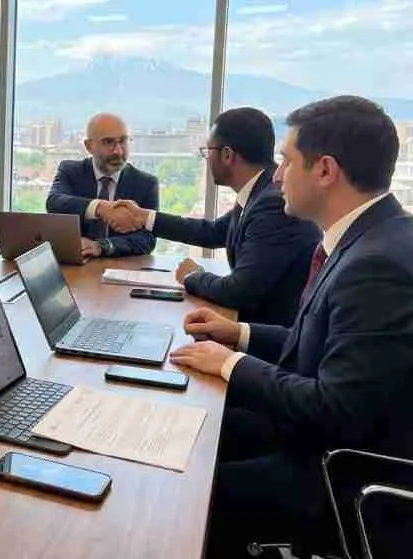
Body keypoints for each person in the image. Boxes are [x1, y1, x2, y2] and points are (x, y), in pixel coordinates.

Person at [169, 96, 413, 558]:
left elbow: (336, 407)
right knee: (191, 429)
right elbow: (319, 345)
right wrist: (237, 335)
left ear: (324, 170)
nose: (277, 175)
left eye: (285, 161)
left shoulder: (378, 265)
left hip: (337, 470)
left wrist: (231, 365)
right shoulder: (371, 237)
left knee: (181, 492)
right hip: (319, 436)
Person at [102, 108, 321, 326]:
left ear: (227, 155)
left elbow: (239, 291)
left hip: (268, 339)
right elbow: (214, 232)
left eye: (208, 152)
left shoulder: (272, 204)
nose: (207, 160)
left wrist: (192, 276)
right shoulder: (259, 192)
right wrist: (144, 217)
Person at [46, 113, 158, 258]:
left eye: (123, 141)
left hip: (119, 268)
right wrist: (101, 208)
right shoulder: (71, 171)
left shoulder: (146, 183)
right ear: (89, 146)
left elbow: (147, 239)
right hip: (74, 266)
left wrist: (103, 246)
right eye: (108, 142)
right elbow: (54, 202)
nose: (118, 151)